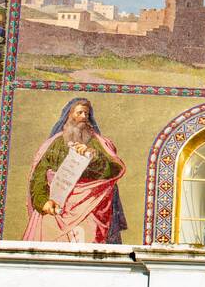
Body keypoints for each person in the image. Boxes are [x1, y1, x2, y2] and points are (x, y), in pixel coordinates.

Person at [24, 97, 127, 244]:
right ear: (69, 115)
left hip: (90, 205)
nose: (84, 117)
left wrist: (94, 156)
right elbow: (39, 174)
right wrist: (42, 202)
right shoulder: (54, 144)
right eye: (79, 113)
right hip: (55, 206)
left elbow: (114, 169)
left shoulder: (99, 143)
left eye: (86, 114)